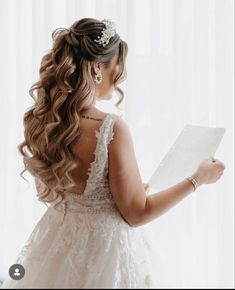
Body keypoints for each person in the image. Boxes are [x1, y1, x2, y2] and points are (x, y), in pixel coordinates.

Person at [0, 18, 225, 289]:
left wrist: (115, 193)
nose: (121, 73)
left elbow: (59, 192)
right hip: (105, 254)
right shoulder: (110, 128)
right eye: (118, 64)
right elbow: (137, 213)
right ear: (97, 67)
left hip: (56, 244)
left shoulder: (43, 123)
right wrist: (197, 179)